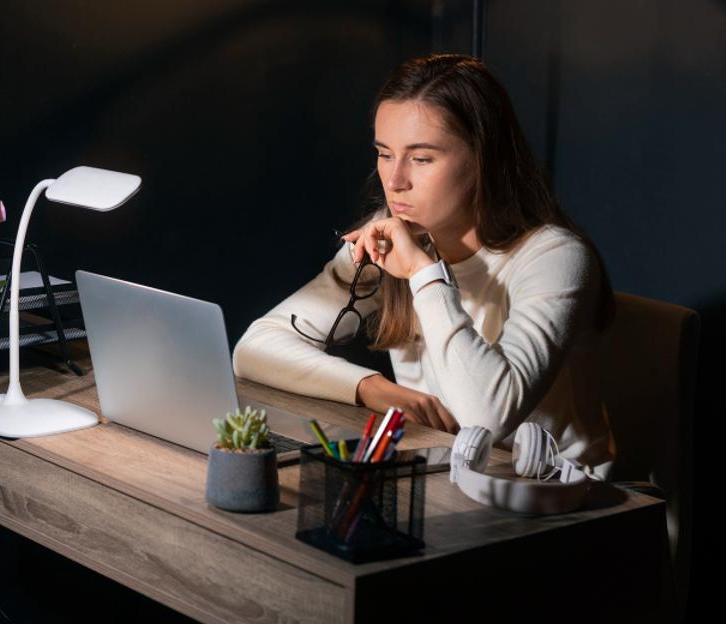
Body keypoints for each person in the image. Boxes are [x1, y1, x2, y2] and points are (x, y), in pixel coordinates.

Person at [232, 54, 616, 480]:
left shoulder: (555, 257)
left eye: (421, 158)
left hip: (558, 497)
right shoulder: (391, 237)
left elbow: (486, 419)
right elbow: (254, 348)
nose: (395, 180)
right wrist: (370, 388)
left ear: (483, 158)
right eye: (384, 154)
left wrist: (424, 274)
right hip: (446, 472)